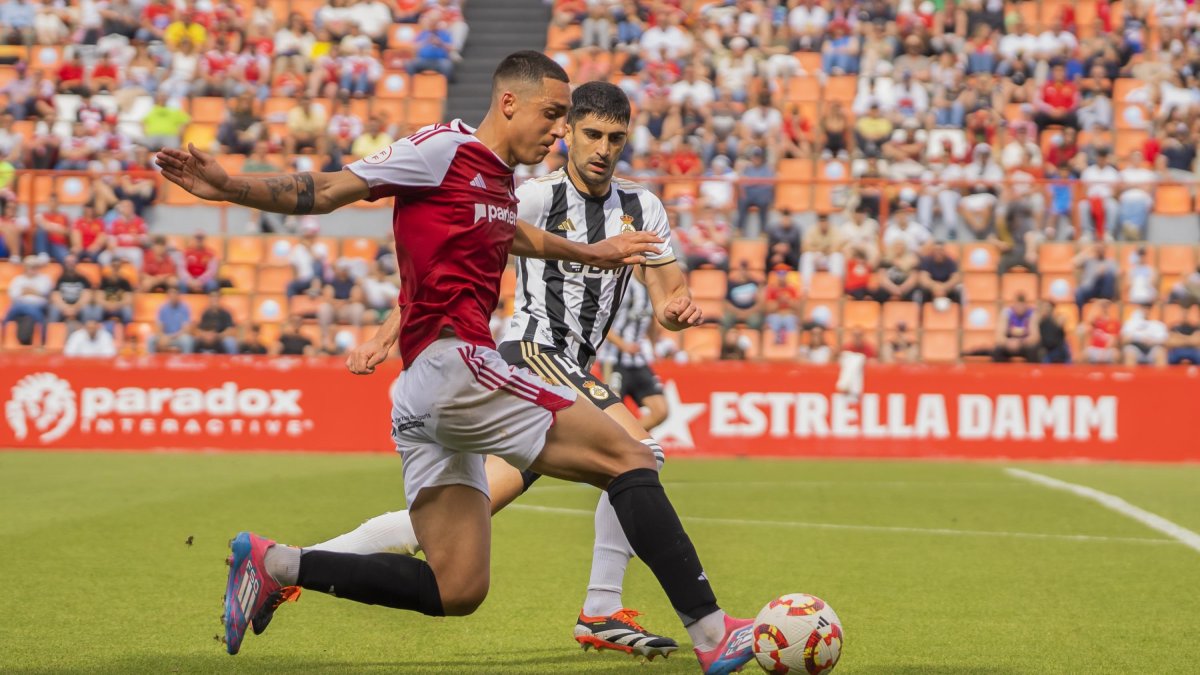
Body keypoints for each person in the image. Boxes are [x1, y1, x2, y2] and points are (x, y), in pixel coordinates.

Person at [157, 54, 756, 673]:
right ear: (509, 103)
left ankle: (276, 563)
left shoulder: (500, 183)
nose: (559, 131)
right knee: (632, 456)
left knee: (458, 586)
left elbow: (509, 235)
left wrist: (591, 253)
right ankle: (709, 633)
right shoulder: (444, 148)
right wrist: (231, 188)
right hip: (461, 365)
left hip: (426, 391)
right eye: (555, 115)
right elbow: (332, 189)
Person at [302, 81, 701, 658]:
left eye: (615, 138)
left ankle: (292, 565)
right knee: (640, 452)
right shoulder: (534, 197)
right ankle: (601, 608)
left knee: (451, 518)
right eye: (591, 134)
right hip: (532, 353)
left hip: (567, 373)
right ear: (568, 133)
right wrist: (385, 337)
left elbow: (668, 293)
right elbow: (447, 266)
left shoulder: (643, 208)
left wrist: (676, 310)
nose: (602, 149)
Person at [598, 277, 672, 432]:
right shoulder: (623, 285)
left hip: (638, 361)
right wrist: (622, 344)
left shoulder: (652, 287)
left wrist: (653, 345)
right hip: (613, 360)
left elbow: (651, 319)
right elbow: (601, 320)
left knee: (661, 411)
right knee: (613, 412)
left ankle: (629, 439)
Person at [992, 293, 1040, 362]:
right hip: (1008, 344)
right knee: (997, 351)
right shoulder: (1006, 313)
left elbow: (1035, 337)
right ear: (1014, 305)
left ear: (1025, 305)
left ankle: (1032, 369)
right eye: (1018, 305)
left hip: (1024, 345)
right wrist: (1007, 342)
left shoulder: (1031, 314)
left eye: (1022, 306)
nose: (1020, 308)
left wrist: (1020, 342)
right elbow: (999, 337)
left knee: (1033, 350)